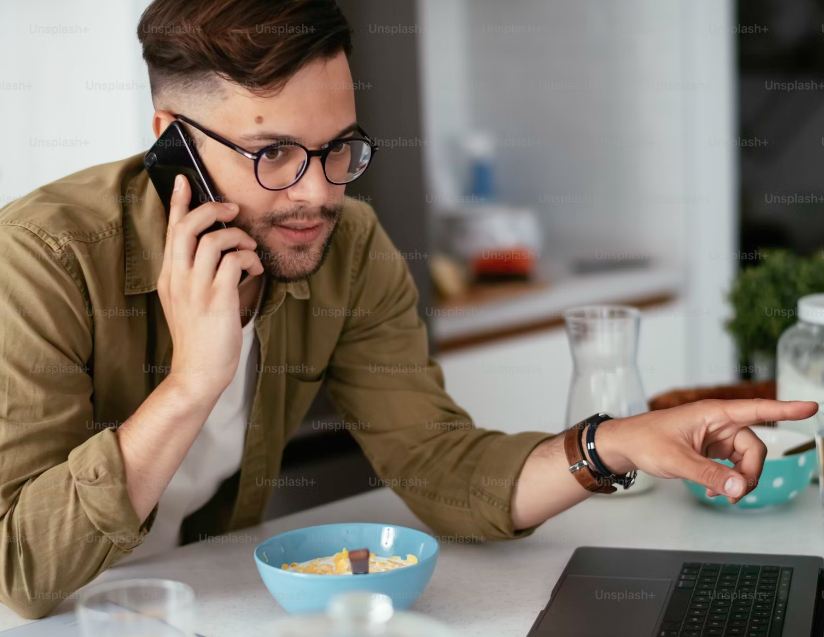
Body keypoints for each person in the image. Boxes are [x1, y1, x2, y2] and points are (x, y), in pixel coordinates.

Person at [0, 0, 815, 619]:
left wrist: (612, 442)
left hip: (217, 606)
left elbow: (436, 463)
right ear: (172, 141)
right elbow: (22, 572)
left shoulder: (345, 245)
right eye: (273, 152)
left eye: (338, 147)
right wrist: (193, 382)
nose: (320, 193)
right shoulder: (42, 260)